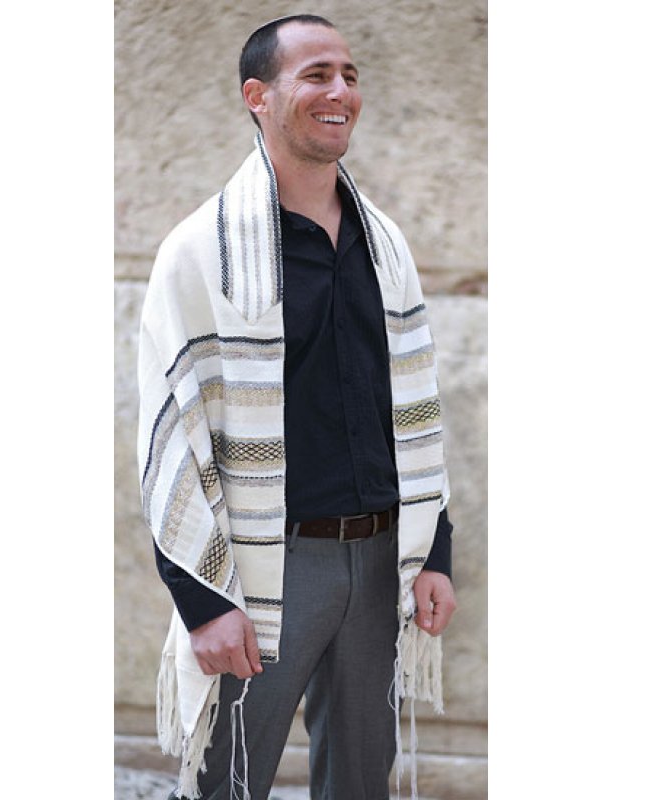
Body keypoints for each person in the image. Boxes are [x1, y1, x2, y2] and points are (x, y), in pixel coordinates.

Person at [136, 14, 457, 800]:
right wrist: (204, 603)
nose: (340, 90)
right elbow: (167, 435)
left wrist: (435, 551)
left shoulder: (384, 245)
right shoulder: (200, 253)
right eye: (315, 75)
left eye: (349, 75)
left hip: (381, 560)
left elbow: (412, 407)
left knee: (361, 783)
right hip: (264, 568)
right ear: (258, 96)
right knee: (227, 780)